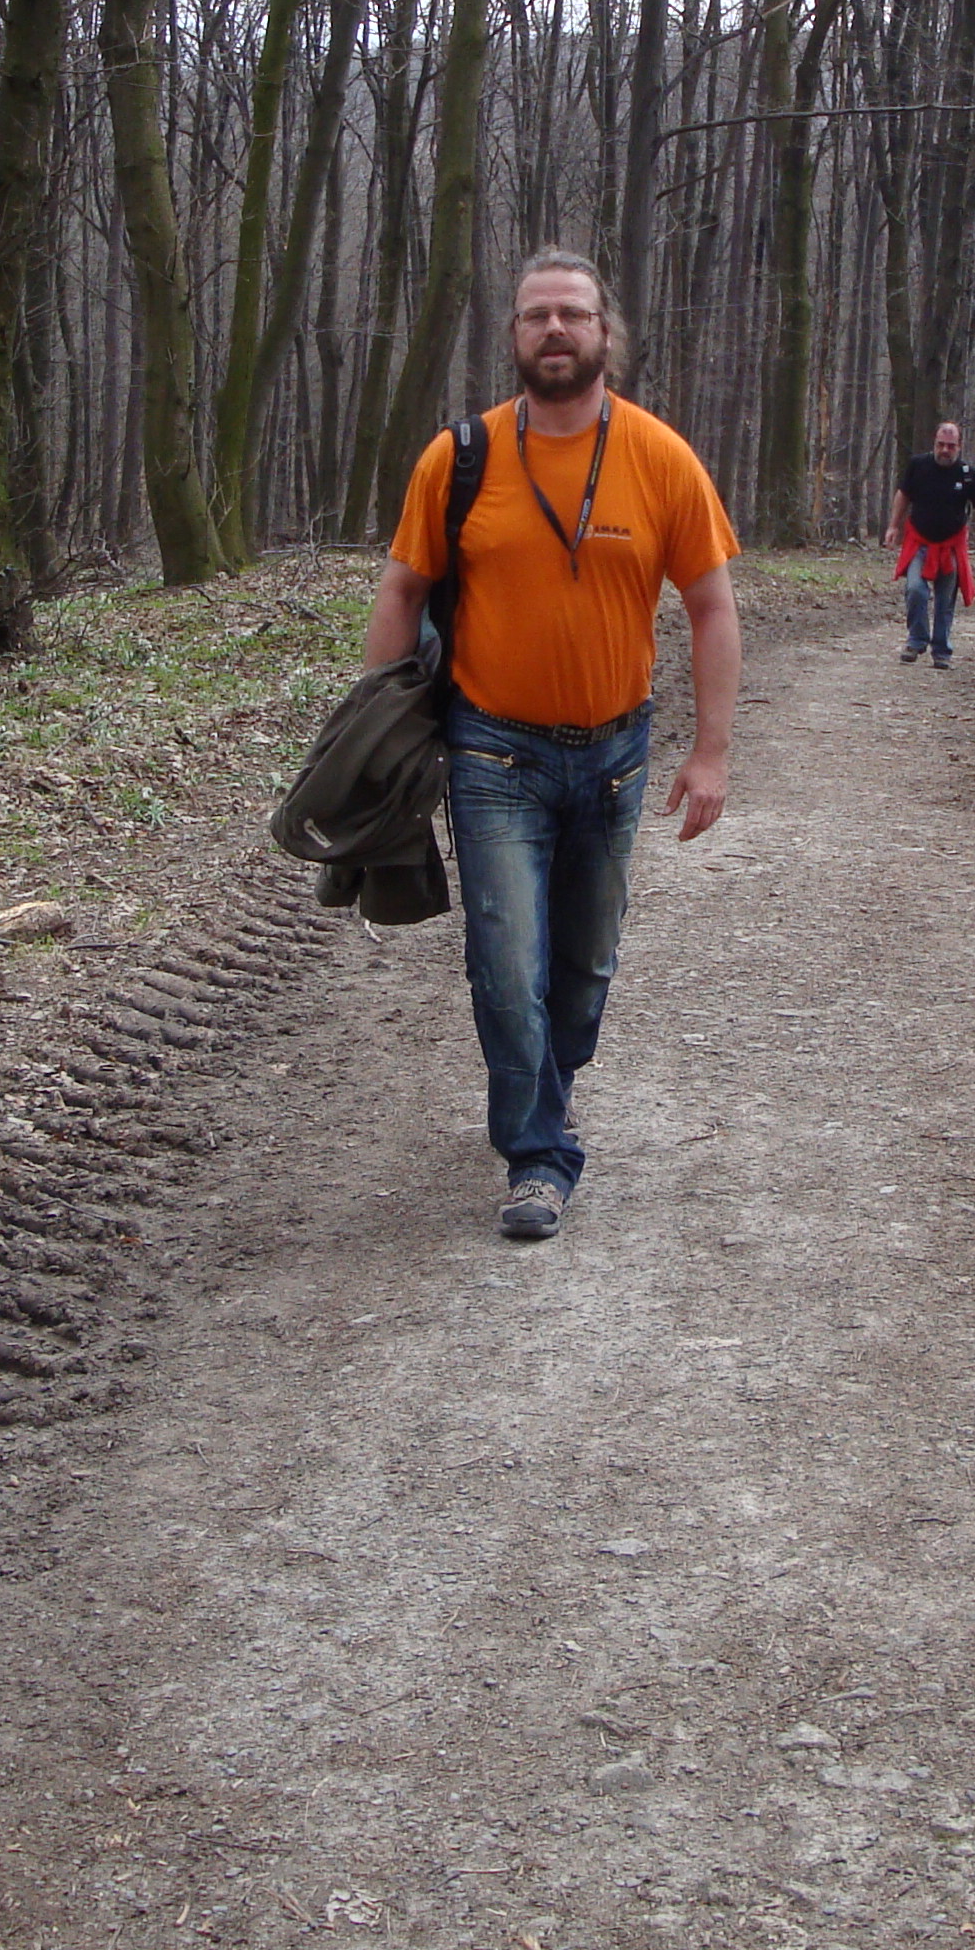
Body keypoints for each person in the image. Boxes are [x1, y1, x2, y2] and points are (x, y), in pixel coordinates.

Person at [362, 250, 740, 1242]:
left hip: (615, 759)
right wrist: (378, 736)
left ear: (606, 332)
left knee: (583, 966)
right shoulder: (459, 459)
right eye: (537, 315)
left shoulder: (661, 458)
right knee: (506, 958)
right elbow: (402, 591)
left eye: (573, 313)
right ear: (515, 335)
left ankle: (550, 1080)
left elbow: (710, 607)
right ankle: (536, 1154)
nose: (556, 330)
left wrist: (711, 752)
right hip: (493, 754)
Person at [885, 419, 975, 668]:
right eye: (941, 444)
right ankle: (916, 640)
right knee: (915, 590)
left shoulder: (968, 474)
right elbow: (903, 495)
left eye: (951, 446)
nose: (945, 450)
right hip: (919, 541)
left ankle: (942, 651)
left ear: (959, 446)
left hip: (950, 545)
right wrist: (893, 526)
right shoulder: (918, 465)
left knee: (945, 600)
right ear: (934, 443)